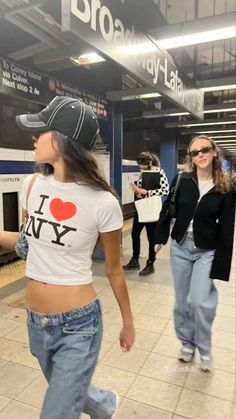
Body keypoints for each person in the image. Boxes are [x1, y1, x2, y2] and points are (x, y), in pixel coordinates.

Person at [0, 96, 135, 418]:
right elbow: (27, 245)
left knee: (57, 411)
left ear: (63, 140)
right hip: (35, 322)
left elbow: (115, 270)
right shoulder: (30, 184)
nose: (33, 138)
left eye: (41, 130)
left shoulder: (103, 202)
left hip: (79, 325)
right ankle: (104, 405)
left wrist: (128, 322)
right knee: (74, 394)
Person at [154, 135, 236, 371]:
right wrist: (159, 237)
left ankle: (205, 347)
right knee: (182, 302)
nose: (200, 154)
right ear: (190, 157)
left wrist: (222, 263)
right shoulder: (182, 179)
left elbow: (227, 227)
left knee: (200, 302)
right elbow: (167, 209)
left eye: (205, 150)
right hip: (180, 246)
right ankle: (187, 343)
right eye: (194, 152)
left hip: (206, 250)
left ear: (214, 153)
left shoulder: (225, 187)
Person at [123, 151, 169, 276]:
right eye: (139, 165)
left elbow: (165, 190)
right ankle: (135, 260)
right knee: (134, 234)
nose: (140, 167)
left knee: (151, 238)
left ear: (149, 162)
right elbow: (142, 188)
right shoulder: (143, 173)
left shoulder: (160, 172)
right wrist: (138, 191)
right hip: (141, 207)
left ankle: (150, 263)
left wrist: (146, 192)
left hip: (152, 209)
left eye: (142, 164)